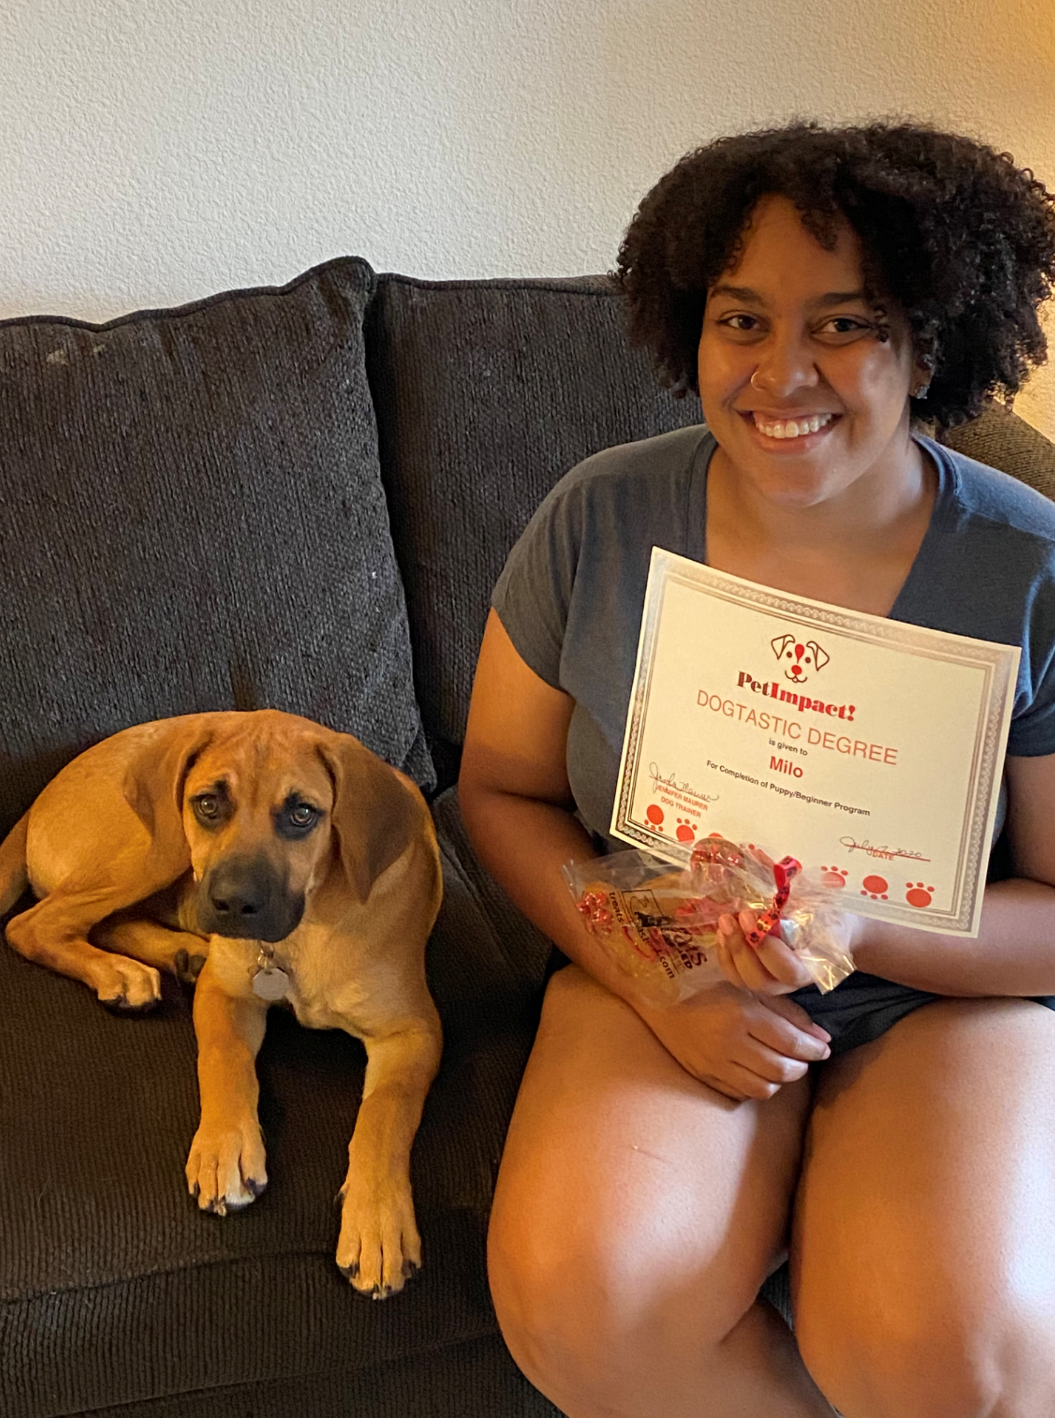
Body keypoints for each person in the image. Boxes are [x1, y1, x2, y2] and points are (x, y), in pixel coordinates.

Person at [458, 122, 1055, 1417]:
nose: (782, 373)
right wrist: (654, 975)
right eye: (741, 319)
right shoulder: (600, 519)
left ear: (927, 340)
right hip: (663, 959)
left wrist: (845, 920)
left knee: (952, 1357)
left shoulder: (1028, 568)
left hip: (938, 1000)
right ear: (690, 328)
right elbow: (496, 793)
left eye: (844, 323)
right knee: (582, 1298)